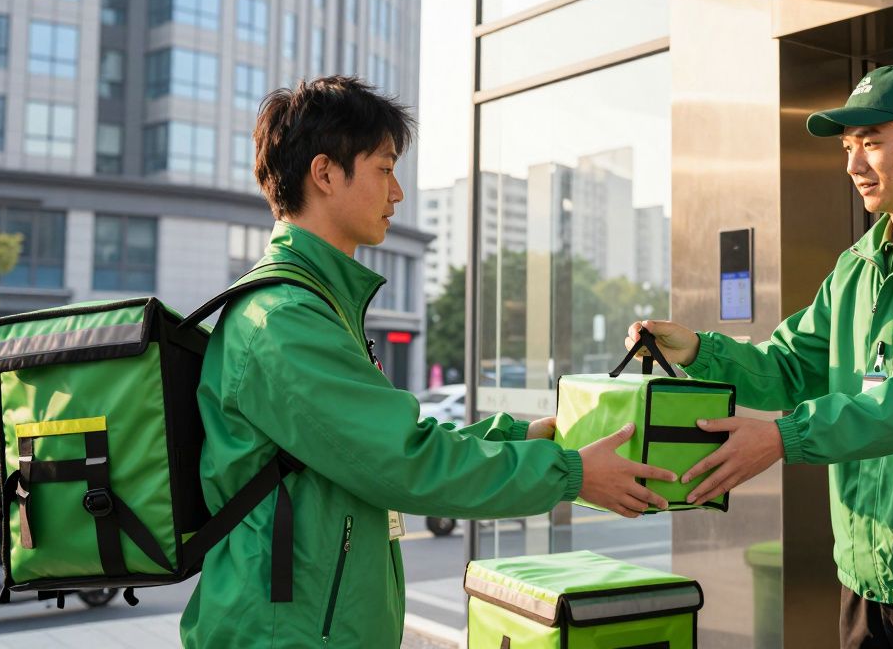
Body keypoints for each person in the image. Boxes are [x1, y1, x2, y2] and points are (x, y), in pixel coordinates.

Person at [181, 76, 675, 647]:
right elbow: (405, 462)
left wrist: (522, 436)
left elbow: (383, 443)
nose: (398, 193)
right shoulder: (285, 320)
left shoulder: (311, 305)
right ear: (324, 174)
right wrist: (571, 474)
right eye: (384, 169)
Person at [627, 65, 893, 648]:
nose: (852, 166)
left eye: (872, 144)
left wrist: (786, 438)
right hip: (864, 578)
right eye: (849, 147)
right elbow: (788, 366)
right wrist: (702, 351)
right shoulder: (857, 267)